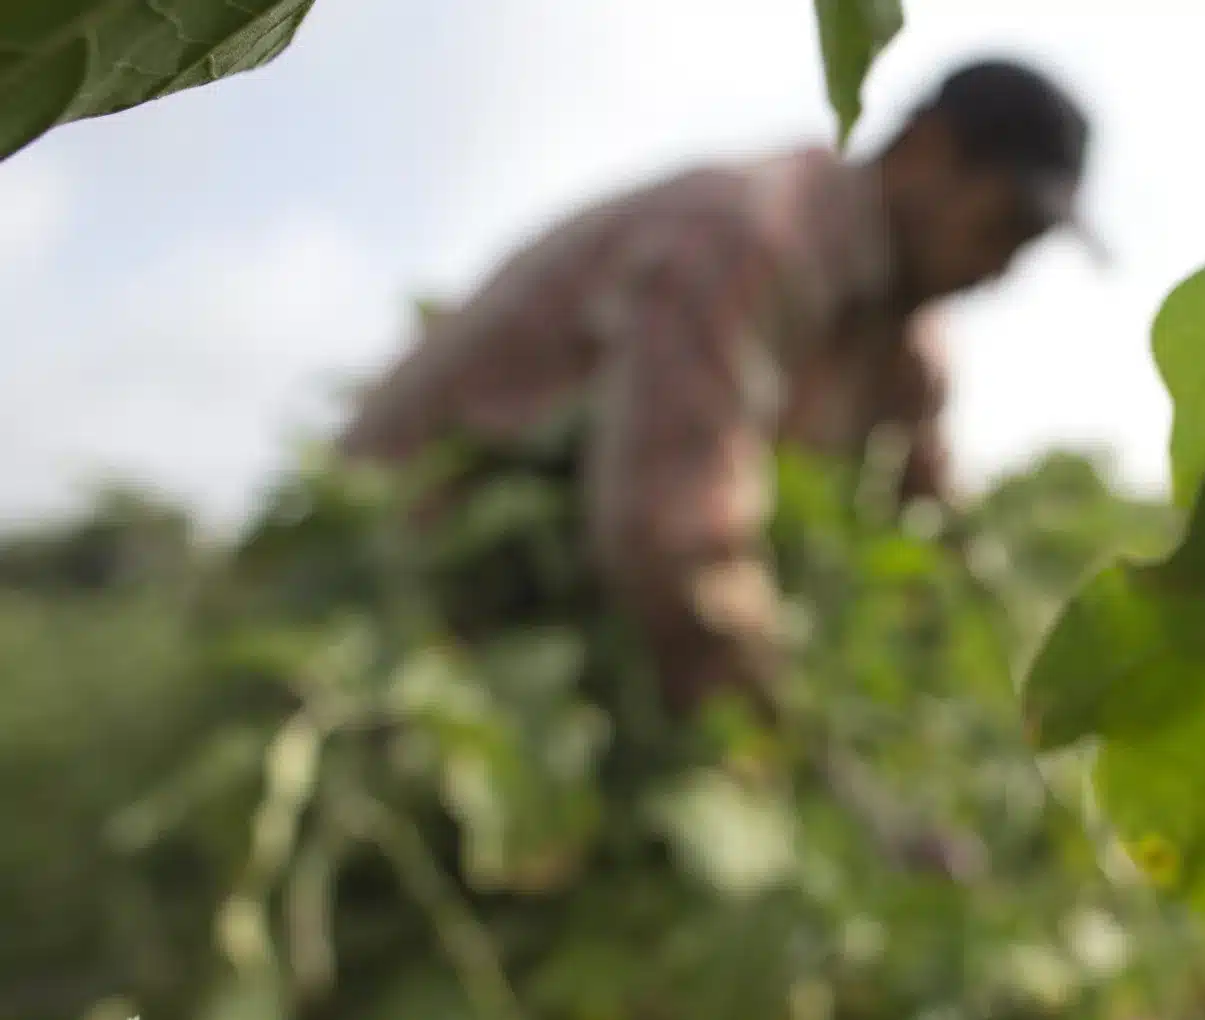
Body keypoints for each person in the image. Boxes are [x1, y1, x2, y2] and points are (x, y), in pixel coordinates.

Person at [338, 56, 1098, 718]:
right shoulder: (751, 239)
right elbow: (675, 542)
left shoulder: (903, 340)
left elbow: (933, 522)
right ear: (924, 150)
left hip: (553, 627)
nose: (1002, 269)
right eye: (1003, 227)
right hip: (388, 589)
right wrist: (814, 773)